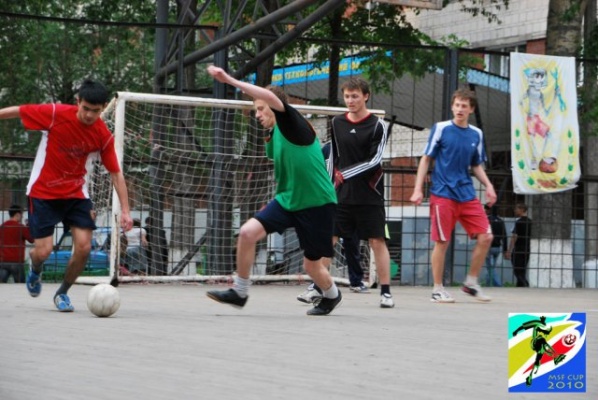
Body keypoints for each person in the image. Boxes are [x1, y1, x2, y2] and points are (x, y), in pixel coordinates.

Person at [205, 65, 342, 316]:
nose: (257, 114)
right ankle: (240, 292)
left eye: (260, 108)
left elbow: (269, 96)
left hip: (317, 202)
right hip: (288, 200)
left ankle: (332, 295)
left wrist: (230, 80)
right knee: (247, 233)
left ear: (274, 105)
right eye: (255, 110)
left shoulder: (292, 122)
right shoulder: (274, 133)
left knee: (311, 266)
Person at [0, 79, 133, 311]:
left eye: (95, 111)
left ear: (103, 108)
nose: (89, 115)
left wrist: (126, 211)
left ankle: (62, 293)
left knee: (84, 247)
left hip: (75, 194)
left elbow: (116, 174)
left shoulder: (102, 135)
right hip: (43, 193)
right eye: (85, 108)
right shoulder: (55, 114)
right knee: (43, 251)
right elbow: (19, 110)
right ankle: (35, 268)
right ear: (77, 101)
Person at [410, 87, 496, 303]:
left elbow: (476, 164)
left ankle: (471, 283)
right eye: (457, 105)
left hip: (466, 193)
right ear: (452, 107)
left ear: (471, 109)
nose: (460, 109)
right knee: (442, 241)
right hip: (443, 194)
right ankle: (437, 289)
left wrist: (488, 185)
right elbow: (426, 159)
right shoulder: (441, 129)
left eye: (464, 106)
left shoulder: (476, 134)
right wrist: (418, 189)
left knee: (486, 236)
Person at [328, 77, 395, 308]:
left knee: (377, 241)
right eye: (347, 96)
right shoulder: (336, 122)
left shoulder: (379, 126)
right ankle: (318, 286)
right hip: (342, 194)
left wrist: (345, 174)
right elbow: (333, 156)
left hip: (370, 195)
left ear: (366, 96)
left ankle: (386, 292)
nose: (350, 100)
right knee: (329, 238)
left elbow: (374, 160)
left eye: (355, 96)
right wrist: (329, 184)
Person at [512, 316, 566, 386]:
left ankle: (529, 377)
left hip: (540, 346)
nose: (543, 318)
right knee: (542, 340)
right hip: (535, 342)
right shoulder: (537, 323)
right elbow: (526, 326)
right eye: (542, 317)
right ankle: (556, 356)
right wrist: (516, 330)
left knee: (539, 357)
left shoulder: (545, 325)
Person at [0, 204, 34, 283]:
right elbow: (31, 239)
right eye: (21, 214)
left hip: (3, 261)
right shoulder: (21, 227)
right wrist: (29, 226)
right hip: (17, 262)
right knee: (20, 286)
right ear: (17, 214)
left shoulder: (2, 227)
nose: (22, 217)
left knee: (1, 286)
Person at [505, 203, 531, 287]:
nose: (515, 210)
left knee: (517, 269)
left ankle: (525, 284)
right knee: (522, 269)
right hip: (527, 248)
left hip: (518, 248)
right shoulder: (530, 222)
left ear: (522, 210)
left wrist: (509, 250)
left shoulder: (518, 222)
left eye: (517, 209)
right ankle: (520, 286)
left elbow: (514, 236)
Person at [484, 205, 507, 287]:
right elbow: (504, 236)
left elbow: (484, 233)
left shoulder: (487, 220)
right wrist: (505, 250)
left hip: (488, 247)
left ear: (489, 210)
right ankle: (488, 284)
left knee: (490, 268)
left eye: (485, 209)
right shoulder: (501, 221)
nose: (484, 211)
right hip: (497, 247)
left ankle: (498, 285)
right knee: (491, 267)